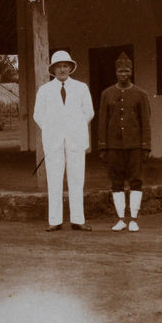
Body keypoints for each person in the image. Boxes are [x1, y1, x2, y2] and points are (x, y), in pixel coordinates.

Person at [33, 50, 95, 232]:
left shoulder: (81, 87)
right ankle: (55, 220)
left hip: (76, 139)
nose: (62, 69)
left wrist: (75, 126)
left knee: (77, 179)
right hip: (53, 141)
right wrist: (52, 128)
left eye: (65, 66)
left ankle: (78, 219)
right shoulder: (44, 90)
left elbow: (89, 112)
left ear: (70, 68)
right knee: (54, 179)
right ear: (53, 70)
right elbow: (38, 114)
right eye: (58, 66)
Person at [97, 52, 151, 232]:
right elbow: (102, 121)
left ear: (131, 72)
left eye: (127, 71)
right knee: (116, 182)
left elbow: (145, 121)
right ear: (115, 73)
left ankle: (134, 219)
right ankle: (121, 219)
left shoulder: (140, 94)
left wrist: (145, 145)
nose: (123, 74)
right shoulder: (107, 94)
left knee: (136, 181)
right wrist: (103, 146)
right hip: (114, 146)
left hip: (135, 146)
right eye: (120, 72)